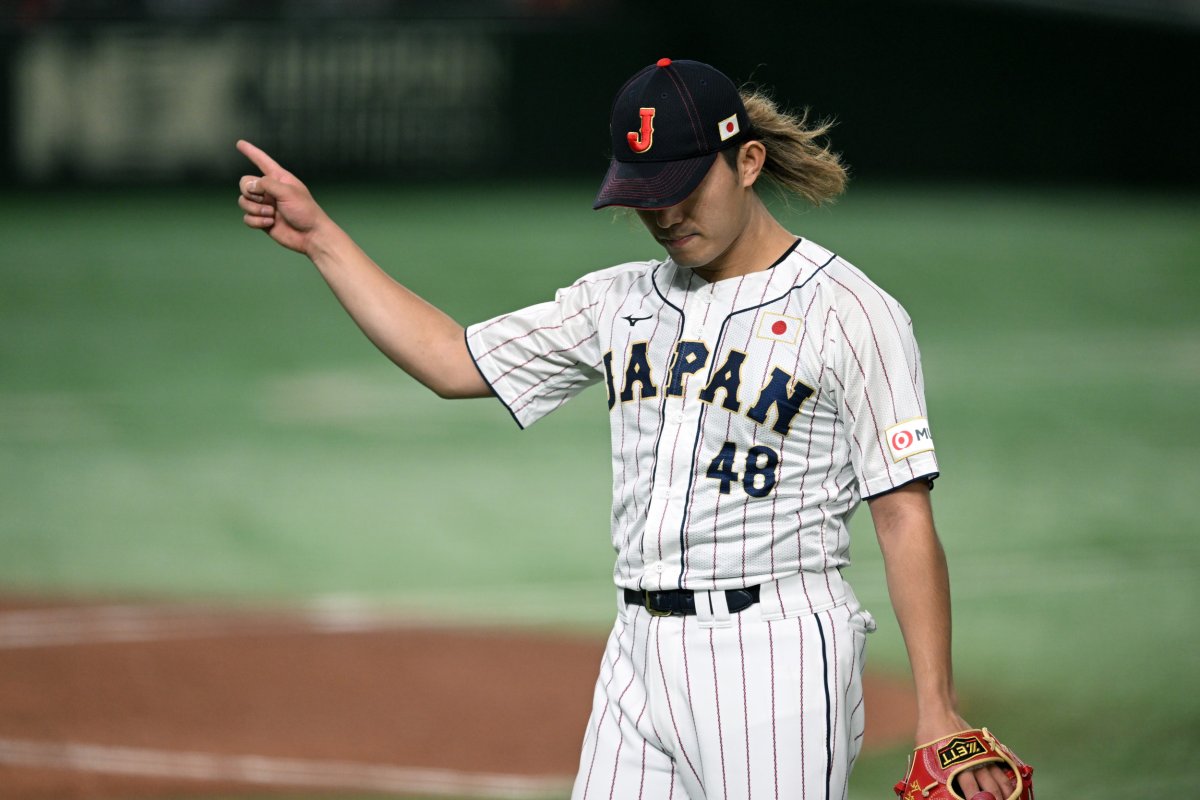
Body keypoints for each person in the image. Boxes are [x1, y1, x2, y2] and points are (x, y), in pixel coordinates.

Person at [237, 57, 1015, 800]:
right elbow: (450, 359)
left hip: (774, 653)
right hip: (636, 652)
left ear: (746, 162)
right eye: (646, 193)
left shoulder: (852, 314)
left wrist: (935, 706)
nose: (665, 215)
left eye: (683, 187)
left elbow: (903, 513)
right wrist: (322, 241)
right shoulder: (618, 303)